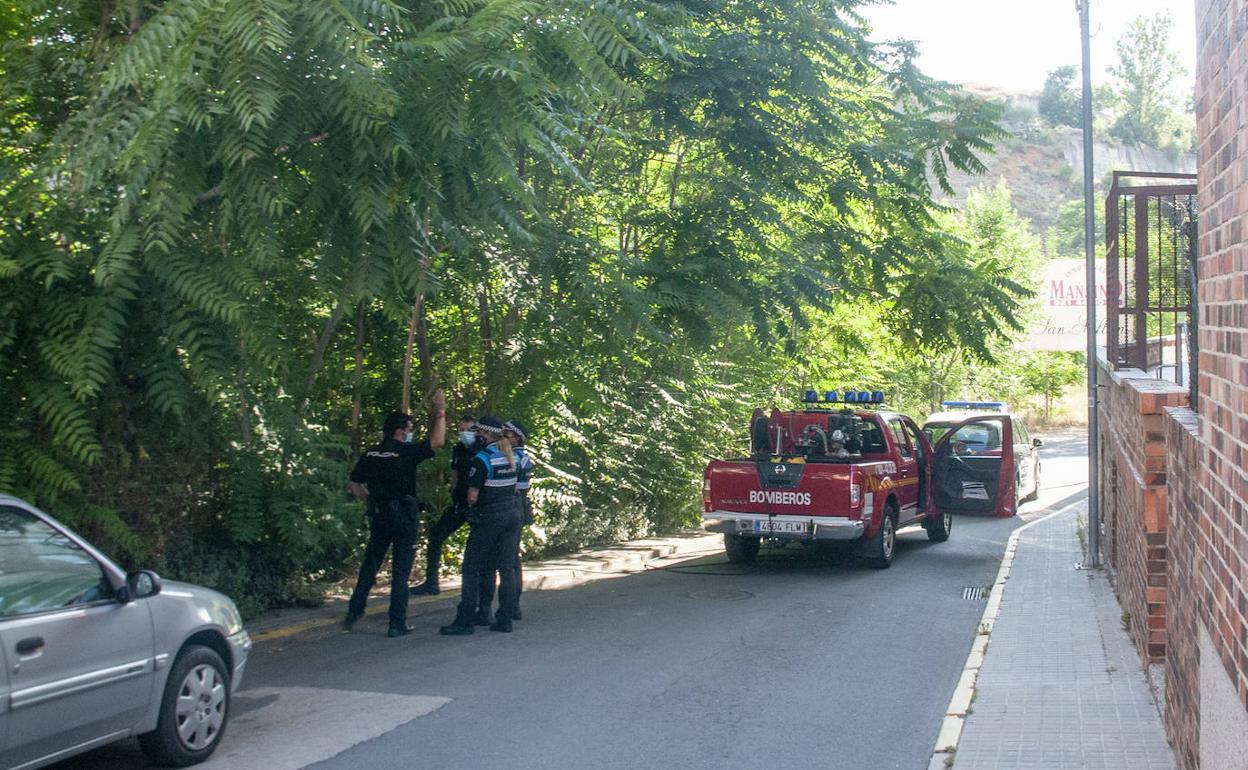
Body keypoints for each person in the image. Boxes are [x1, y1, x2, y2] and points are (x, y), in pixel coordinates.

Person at [344, 391, 446, 637]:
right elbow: (437, 442)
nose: (410, 433)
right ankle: (397, 623)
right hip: (403, 516)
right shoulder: (405, 452)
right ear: (401, 431)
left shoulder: (371, 454)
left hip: (379, 515)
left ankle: (354, 612)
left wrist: (371, 500)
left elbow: (353, 484)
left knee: (371, 563)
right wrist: (440, 411)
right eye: (409, 429)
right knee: (401, 571)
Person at [440, 416, 520, 635]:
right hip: (511, 514)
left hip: (490, 516)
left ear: (488, 434)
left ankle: (465, 621)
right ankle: (504, 619)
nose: (477, 436)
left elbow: (473, 495)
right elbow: (515, 488)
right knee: (505, 568)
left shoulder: (483, 458)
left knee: (471, 568)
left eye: (481, 433)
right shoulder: (511, 456)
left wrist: (470, 506)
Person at [411, 415, 480, 596]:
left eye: (470, 429)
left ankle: (481, 588)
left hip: (476, 505)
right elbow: (455, 472)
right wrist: (453, 489)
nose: (465, 433)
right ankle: (432, 583)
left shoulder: (482, 449)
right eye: (462, 429)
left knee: (480, 546)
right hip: (459, 503)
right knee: (436, 536)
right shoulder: (458, 449)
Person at [476, 419, 533, 622]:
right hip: (511, 508)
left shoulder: (518, 459)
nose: (504, 437)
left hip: (509, 507)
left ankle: (507, 607)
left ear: (517, 438)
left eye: (507, 434)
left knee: (507, 563)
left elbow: (519, 488)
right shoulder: (511, 456)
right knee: (506, 563)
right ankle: (500, 609)